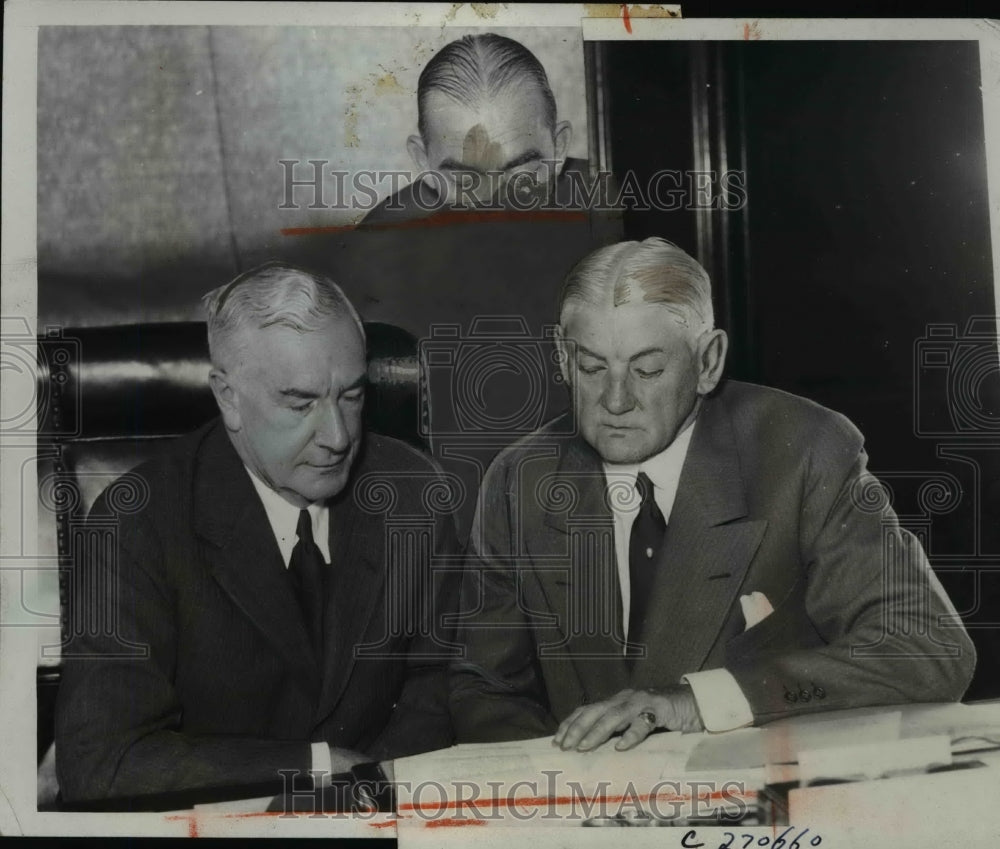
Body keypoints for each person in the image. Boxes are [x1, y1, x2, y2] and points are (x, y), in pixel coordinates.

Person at [449, 237, 976, 752]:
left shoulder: (806, 451)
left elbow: (925, 650)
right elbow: (484, 689)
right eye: (590, 368)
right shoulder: (520, 479)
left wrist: (700, 701)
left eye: (647, 369)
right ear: (562, 360)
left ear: (708, 362)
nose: (615, 399)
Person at [56, 263, 459, 806]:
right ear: (228, 397)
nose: (338, 437)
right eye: (300, 403)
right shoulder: (135, 522)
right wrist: (316, 768)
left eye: (352, 396)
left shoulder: (414, 493)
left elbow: (439, 692)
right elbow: (102, 762)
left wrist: (371, 795)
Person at [362, 32, 584, 223]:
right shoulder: (377, 247)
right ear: (423, 160)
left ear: (559, 147)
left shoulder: (609, 212)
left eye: (521, 177)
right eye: (466, 182)